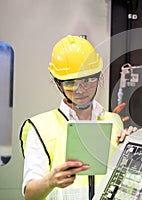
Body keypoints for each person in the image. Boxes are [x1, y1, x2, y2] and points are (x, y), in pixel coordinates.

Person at [20, 35, 135, 200]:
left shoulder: (114, 121)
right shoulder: (40, 127)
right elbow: (30, 195)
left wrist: (134, 149)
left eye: (88, 80)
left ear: (98, 76)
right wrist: (50, 182)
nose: (80, 90)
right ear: (58, 82)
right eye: (70, 82)